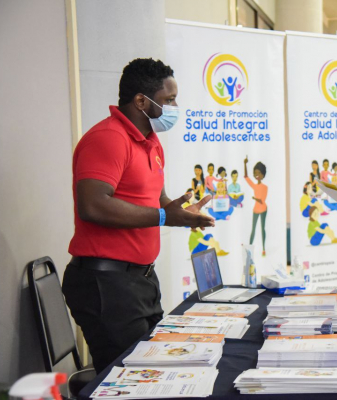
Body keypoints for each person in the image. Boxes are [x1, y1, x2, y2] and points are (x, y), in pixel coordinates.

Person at [62, 58, 215, 373]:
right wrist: (163, 217)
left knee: (151, 371)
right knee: (131, 378)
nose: (175, 106)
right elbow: (93, 205)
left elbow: (155, 198)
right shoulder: (108, 138)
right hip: (105, 282)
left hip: (139, 281)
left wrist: (179, 211)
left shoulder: (152, 142)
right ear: (141, 101)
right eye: (168, 100)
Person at [244, 156, 268, 256]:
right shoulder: (255, 186)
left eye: (259, 173)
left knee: (262, 228)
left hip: (263, 209)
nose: (256, 175)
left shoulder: (265, 187)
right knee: (253, 229)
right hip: (256, 210)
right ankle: (250, 249)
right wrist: (244, 164)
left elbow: (262, 201)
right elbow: (246, 177)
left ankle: (263, 248)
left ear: (262, 175)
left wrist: (255, 199)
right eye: (255, 173)